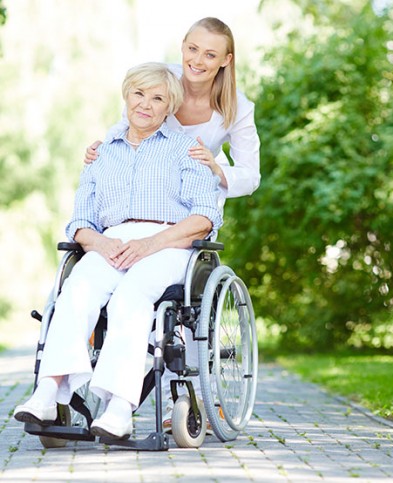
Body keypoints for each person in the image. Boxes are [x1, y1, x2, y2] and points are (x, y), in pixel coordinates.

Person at [14, 62, 223, 440]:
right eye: (139, 94)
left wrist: (150, 244)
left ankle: (119, 407)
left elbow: (205, 218)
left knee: (131, 296)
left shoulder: (185, 149)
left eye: (157, 98)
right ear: (126, 96)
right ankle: (48, 391)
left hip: (168, 242)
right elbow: (79, 221)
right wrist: (100, 242)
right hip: (110, 242)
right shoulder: (102, 152)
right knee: (75, 290)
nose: (145, 104)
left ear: (168, 107)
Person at [84, 17, 260, 432]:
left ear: (226, 61)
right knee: (118, 287)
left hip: (190, 211)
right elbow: (129, 124)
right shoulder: (159, 81)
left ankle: (185, 394)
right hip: (139, 210)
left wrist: (218, 168)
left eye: (210, 54)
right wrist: (100, 148)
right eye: (193, 49)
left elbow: (251, 175)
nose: (198, 60)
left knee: (180, 304)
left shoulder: (236, 107)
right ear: (183, 46)